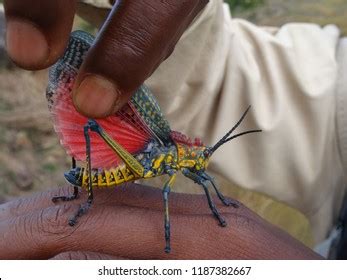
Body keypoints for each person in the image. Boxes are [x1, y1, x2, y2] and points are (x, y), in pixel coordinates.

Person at [1, 0, 346, 259]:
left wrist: (219, 204)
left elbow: (204, 180)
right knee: (99, 130)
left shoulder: (189, 166)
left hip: (134, 162)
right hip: (128, 160)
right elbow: (216, 73)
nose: (202, 164)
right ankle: (83, 199)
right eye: (200, 157)